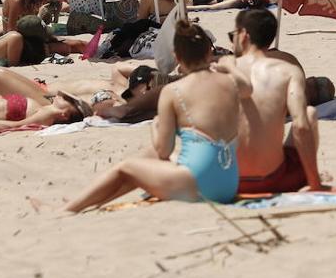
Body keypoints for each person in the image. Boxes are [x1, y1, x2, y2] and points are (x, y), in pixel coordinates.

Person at [65, 22, 241, 211]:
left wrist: (155, 127)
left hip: (199, 184)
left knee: (126, 167)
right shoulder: (230, 82)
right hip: (229, 181)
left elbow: (163, 151)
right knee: (147, 158)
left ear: (177, 57)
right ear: (209, 51)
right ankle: (94, 203)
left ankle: (66, 210)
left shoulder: (173, 91)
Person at [222, 8, 323, 193]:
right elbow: (301, 126)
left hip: (228, 179)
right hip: (274, 179)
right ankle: (312, 179)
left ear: (244, 35)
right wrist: (315, 183)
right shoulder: (288, 70)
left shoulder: (223, 70)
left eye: (232, 35)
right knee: (309, 114)